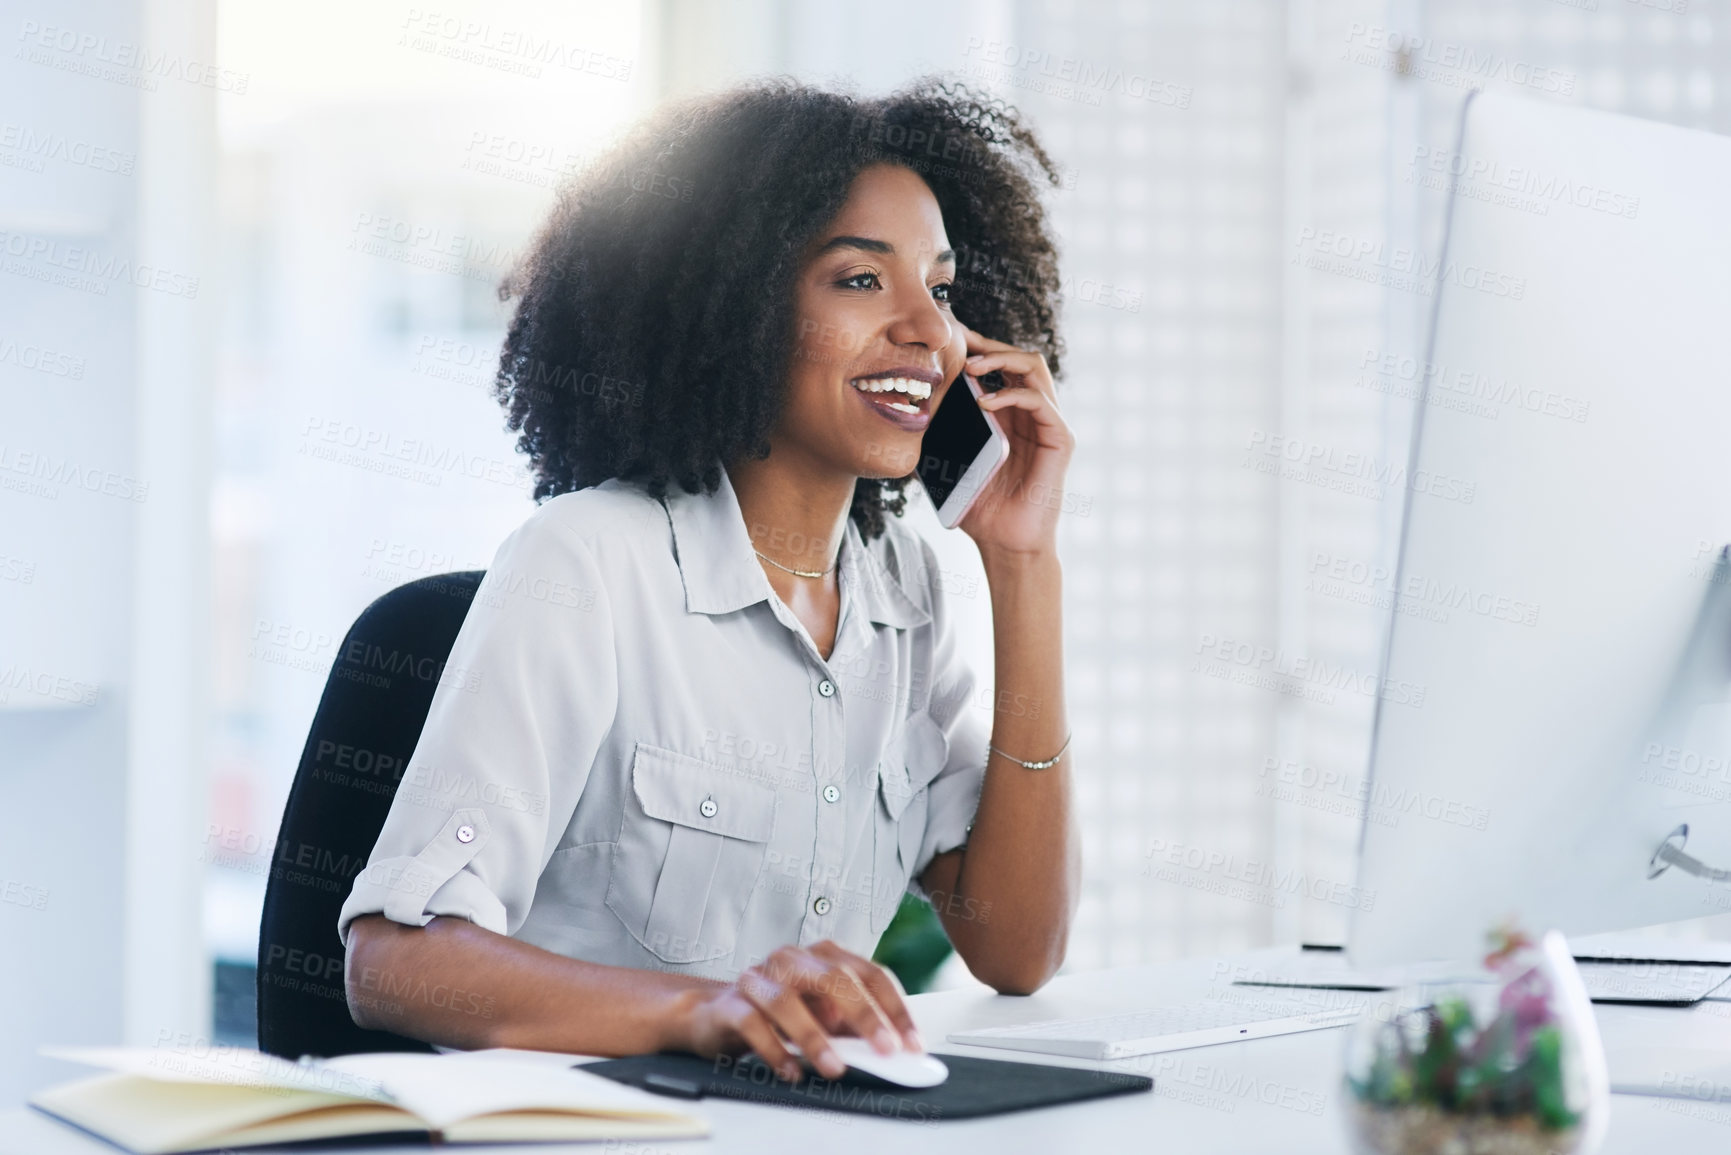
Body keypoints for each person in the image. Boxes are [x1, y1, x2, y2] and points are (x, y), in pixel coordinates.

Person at [339, 77, 1080, 1084]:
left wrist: (1022, 561)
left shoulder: (908, 593)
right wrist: (708, 1009)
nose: (930, 331)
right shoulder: (588, 561)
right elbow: (394, 963)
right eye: (860, 281)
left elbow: (1018, 949)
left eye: (941, 290)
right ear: (733, 304)